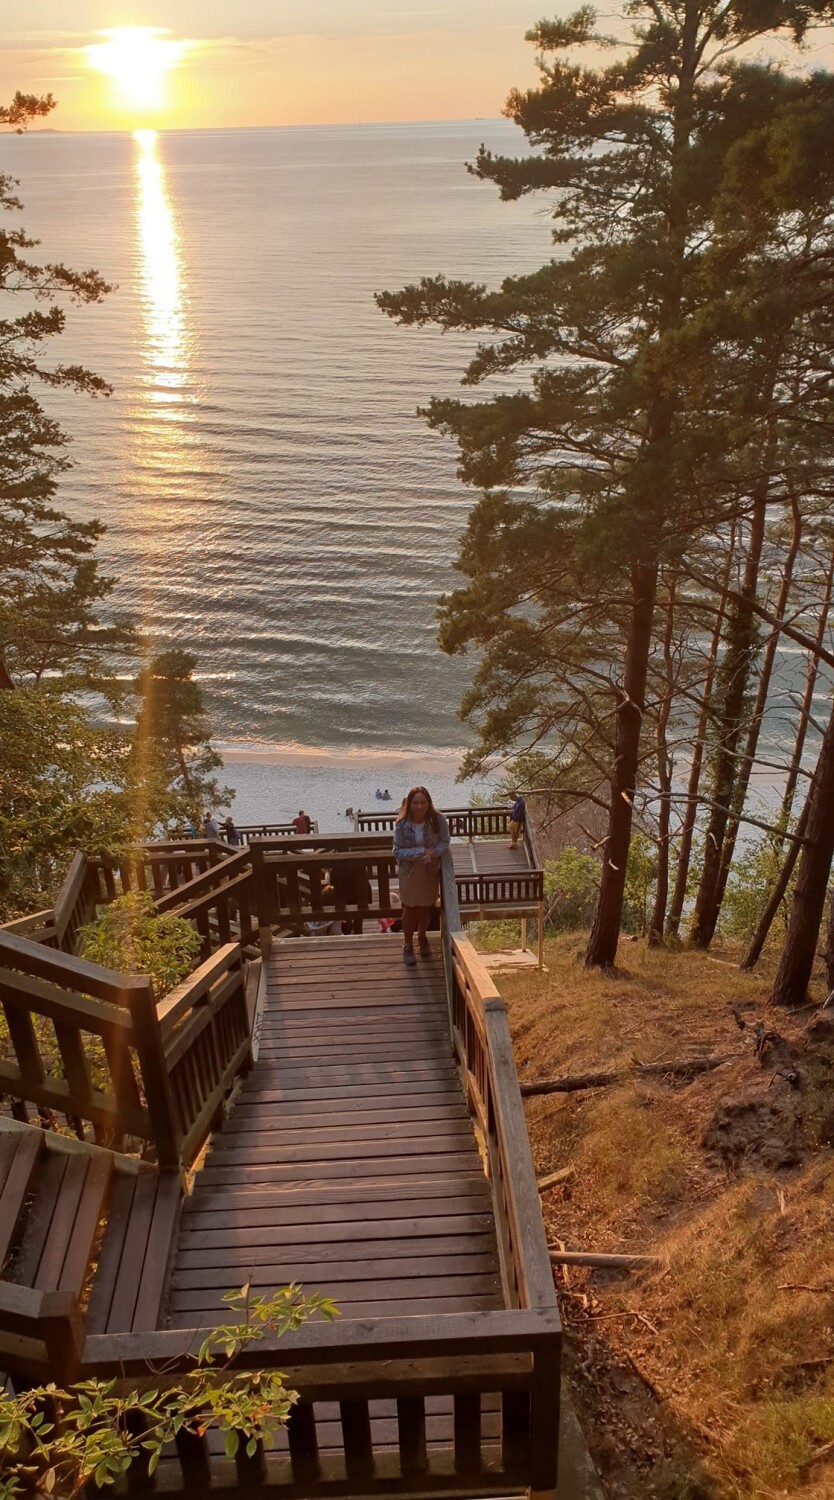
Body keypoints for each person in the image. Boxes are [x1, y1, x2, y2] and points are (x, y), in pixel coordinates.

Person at [392, 786, 450, 967]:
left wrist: (434, 853)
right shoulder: (401, 824)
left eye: (423, 802)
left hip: (429, 869)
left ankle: (422, 936)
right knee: (410, 907)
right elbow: (397, 851)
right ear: (410, 804)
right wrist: (421, 851)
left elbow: (445, 841)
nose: (419, 806)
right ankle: (408, 944)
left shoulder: (438, 819)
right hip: (409, 871)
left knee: (426, 906)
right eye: (415, 803)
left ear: (429, 802)